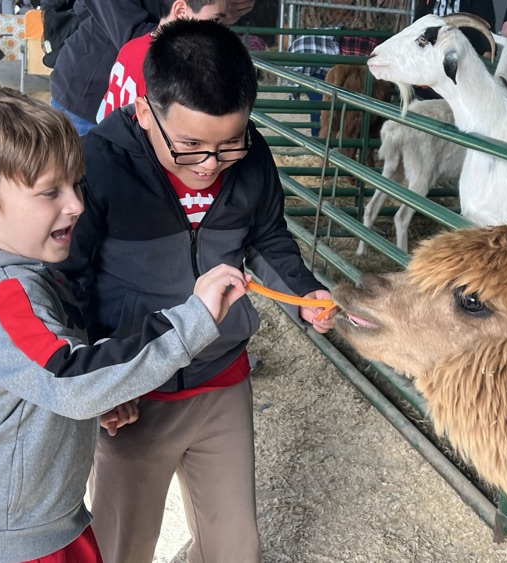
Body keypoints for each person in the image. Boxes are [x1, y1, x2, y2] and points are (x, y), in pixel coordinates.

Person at [59, 18, 335, 563]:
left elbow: (268, 238)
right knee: (122, 546)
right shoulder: (99, 166)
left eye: (229, 144)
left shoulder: (252, 158)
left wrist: (307, 297)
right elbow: (69, 280)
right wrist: (100, 383)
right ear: (145, 113)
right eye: (190, 146)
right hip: (136, 392)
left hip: (221, 378)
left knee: (234, 546)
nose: (210, 165)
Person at [0, 87, 249, 562]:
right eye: (50, 192)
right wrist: (194, 318)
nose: (76, 205)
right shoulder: (2, 292)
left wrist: (82, 404)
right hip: (14, 544)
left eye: (75, 184)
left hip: (38, 524)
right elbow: (69, 377)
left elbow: (38, 381)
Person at [49, 0, 254, 136]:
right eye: (216, 21)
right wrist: (214, 13)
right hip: (87, 94)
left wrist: (220, 10)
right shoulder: (141, 49)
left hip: (139, 89)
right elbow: (132, 32)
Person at [98, 0, 230, 122]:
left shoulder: (131, 46)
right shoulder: (173, 65)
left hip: (113, 135)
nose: (222, 29)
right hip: (140, 143)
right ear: (180, 11)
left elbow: (102, 113)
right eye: (215, 19)